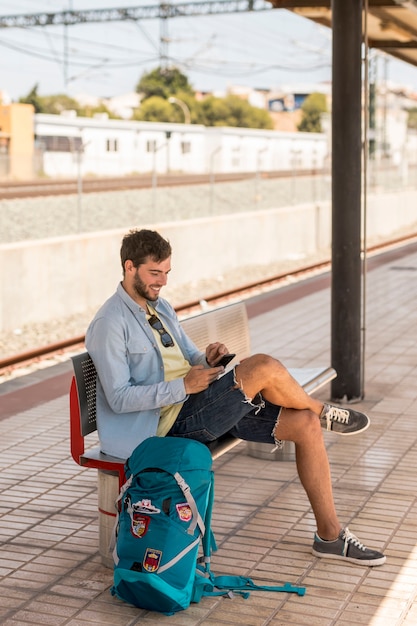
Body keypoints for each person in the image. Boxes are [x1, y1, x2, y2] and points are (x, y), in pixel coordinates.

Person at [85, 228, 386, 567]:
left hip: (190, 405)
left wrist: (208, 359)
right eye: (155, 273)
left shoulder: (160, 307)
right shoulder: (110, 323)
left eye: (167, 273)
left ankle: (330, 536)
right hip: (159, 428)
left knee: (303, 423)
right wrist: (184, 387)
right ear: (129, 267)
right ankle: (324, 410)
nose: (163, 282)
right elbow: (120, 397)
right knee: (261, 367)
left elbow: (187, 355)